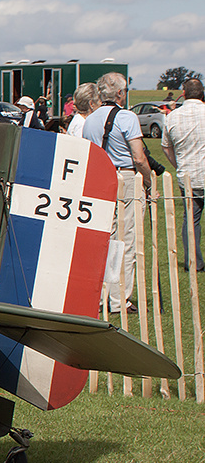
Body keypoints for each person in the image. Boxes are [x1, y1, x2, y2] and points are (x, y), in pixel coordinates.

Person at [83, 71, 152, 315]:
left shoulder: (90, 120)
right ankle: (119, 297)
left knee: (103, 238)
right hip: (124, 178)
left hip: (99, 179)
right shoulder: (127, 117)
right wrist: (148, 180)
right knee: (127, 237)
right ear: (121, 93)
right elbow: (138, 156)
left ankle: (100, 295)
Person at [164, 77, 205, 272]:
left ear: (184, 93)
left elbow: (166, 147)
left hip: (188, 175)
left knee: (191, 219)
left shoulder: (172, 116)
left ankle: (193, 262)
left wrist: (178, 164)